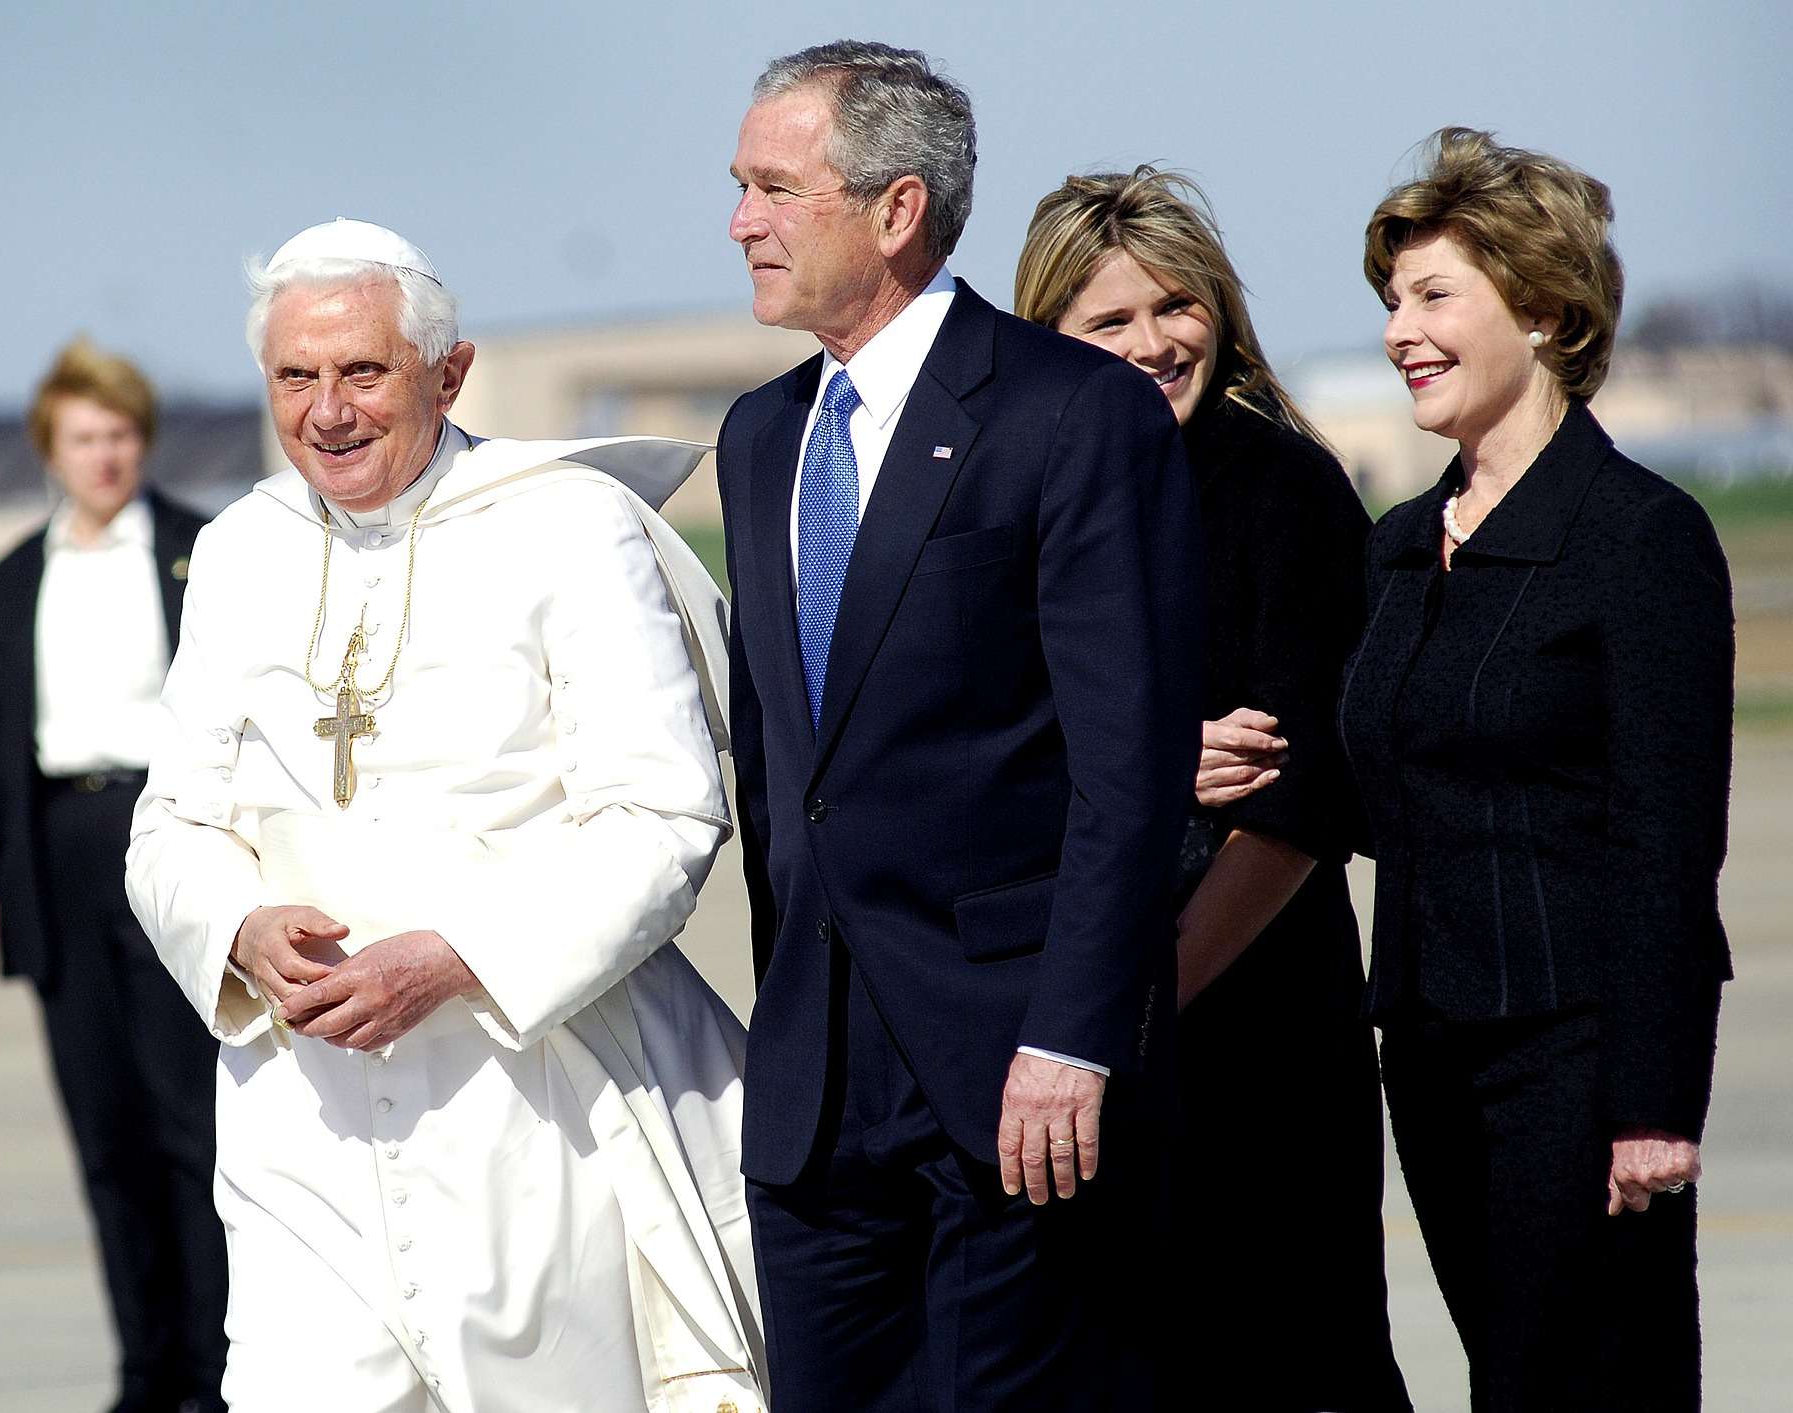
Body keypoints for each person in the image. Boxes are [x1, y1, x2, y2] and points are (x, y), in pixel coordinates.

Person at [123, 218, 765, 1413]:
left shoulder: (570, 526)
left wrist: (459, 956)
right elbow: (172, 823)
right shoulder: (238, 550)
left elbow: (665, 814)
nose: (328, 412)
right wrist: (235, 928)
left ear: (449, 374)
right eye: (295, 379)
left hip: (536, 1095)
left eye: (363, 372)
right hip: (301, 1116)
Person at [718, 43, 1204, 1409]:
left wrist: (1073, 1036)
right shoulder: (763, 436)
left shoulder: (1073, 413)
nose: (741, 221)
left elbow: (1132, 768)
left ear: (896, 209)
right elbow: (783, 771)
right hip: (815, 1091)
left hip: (1012, 1074)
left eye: (773, 187)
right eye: (739, 186)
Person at [1339, 128, 1733, 1411]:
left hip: (1578, 1061)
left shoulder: (1640, 538)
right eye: (1393, 300)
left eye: (1435, 295)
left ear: (1549, 312)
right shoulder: (1401, 547)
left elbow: (1669, 842)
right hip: (1434, 1058)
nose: (1402, 328)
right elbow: (1378, 786)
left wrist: (1655, 1106)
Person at [1015, 165, 1411, 1412]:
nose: (1152, 343)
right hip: (1066, 1025)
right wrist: (1141, 766)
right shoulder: (1012, 505)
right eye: (1108, 322)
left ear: (1223, 313)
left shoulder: (1282, 487)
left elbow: (1300, 800)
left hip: (1252, 1020)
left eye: (1175, 307)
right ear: (1048, 341)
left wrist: (1142, 1010)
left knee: (1298, 1357)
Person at [0, 338, 228, 1413]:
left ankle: (214, 1377)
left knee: (188, 1130)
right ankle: (144, 1375)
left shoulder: (204, 551)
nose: (103, 457)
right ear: (50, 452)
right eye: (82, 440)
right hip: (60, 852)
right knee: (104, 1136)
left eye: (118, 436)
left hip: (170, 838)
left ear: (141, 441)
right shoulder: (20, 572)